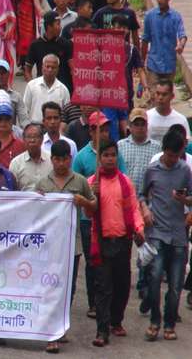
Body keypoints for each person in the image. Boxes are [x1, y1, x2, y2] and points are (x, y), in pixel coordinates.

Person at [35, 139, 97, 353]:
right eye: (57, 159)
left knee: (68, 288)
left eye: (64, 159)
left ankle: (59, 327)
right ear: (51, 160)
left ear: (70, 159)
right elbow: (34, 214)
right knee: (49, 287)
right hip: (48, 245)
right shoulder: (43, 183)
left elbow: (93, 207)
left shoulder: (80, 181)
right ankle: (51, 332)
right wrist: (37, 200)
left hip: (72, 243)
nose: (61, 163)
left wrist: (84, 202)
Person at [89, 141, 145, 347]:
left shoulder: (125, 182)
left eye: (113, 155)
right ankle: (102, 331)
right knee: (103, 288)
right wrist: (92, 195)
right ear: (99, 158)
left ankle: (116, 321)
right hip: (101, 241)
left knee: (122, 285)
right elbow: (87, 212)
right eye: (106, 155)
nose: (110, 159)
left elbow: (134, 208)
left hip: (123, 241)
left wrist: (139, 228)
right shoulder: (92, 182)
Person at [140, 130, 192, 341]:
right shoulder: (152, 170)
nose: (172, 159)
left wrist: (184, 200)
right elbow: (141, 194)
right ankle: (155, 321)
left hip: (178, 233)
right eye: (170, 155)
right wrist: (145, 209)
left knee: (175, 284)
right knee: (154, 278)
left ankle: (170, 324)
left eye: (176, 156)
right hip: (157, 232)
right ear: (164, 151)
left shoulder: (185, 170)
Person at [142, 0, 185, 88]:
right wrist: (142, 62)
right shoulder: (150, 16)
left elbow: (182, 34)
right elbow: (145, 40)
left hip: (169, 65)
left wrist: (181, 45)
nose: (159, 0)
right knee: (154, 94)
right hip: (153, 65)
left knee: (166, 95)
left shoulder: (176, 17)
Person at [22, 54, 70, 123]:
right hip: (34, 126)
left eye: (53, 67)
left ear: (57, 69)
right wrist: (27, 126)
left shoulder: (63, 90)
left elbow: (66, 114)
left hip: (55, 127)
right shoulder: (31, 86)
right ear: (42, 67)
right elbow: (25, 110)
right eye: (47, 66)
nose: (50, 70)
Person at [8, 122, 50, 191]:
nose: (32, 140)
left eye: (36, 137)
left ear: (42, 139)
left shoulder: (51, 159)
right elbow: (12, 190)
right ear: (23, 140)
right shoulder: (16, 163)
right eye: (29, 137)